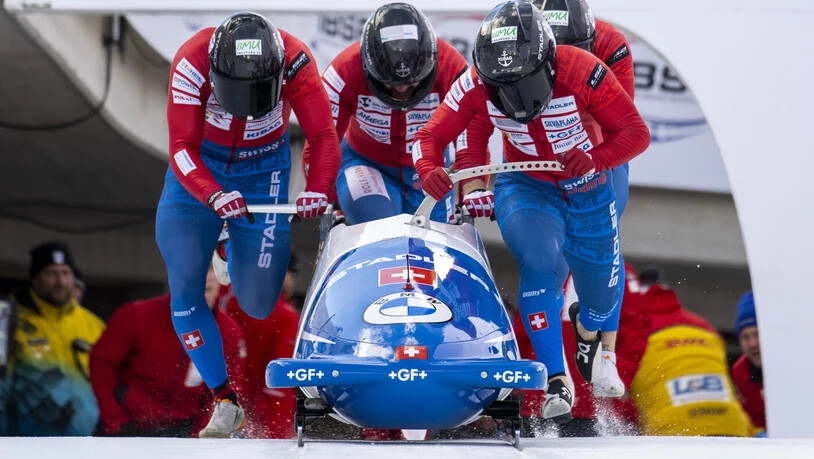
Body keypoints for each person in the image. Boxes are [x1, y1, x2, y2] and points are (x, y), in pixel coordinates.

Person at [412, 0, 650, 423]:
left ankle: (589, 330)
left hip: (586, 181)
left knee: (601, 291)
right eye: (504, 88)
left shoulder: (585, 68)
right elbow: (430, 136)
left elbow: (634, 133)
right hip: (526, 184)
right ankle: (556, 379)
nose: (516, 99)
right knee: (539, 262)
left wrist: (597, 157)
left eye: (525, 83)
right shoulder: (474, 85)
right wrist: (431, 168)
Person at [155, 11, 340, 437]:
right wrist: (213, 194)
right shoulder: (190, 62)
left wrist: (319, 186)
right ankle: (224, 399)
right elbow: (181, 147)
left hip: (262, 173)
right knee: (184, 287)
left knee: (258, 304)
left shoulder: (296, 61)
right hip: (200, 172)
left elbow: (324, 137)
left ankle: (227, 248)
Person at [302, 2, 484, 224]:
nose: (402, 90)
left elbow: (471, 135)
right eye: (390, 81)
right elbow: (322, 137)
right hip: (365, 164)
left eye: (413, 80)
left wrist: (472, 188)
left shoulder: (452, 67)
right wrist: (326, 194)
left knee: (432, 241)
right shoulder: (344, 71)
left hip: (428, 171)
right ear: (369, 67)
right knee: (380, 227)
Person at [535, 0, 636, 398]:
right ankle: (556, 373)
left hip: (594, 148)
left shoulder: (614, 46)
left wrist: (590, 159)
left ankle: (604, 352)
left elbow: (620, 122)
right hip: (540, 150)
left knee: (605, 229)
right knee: (550, 255)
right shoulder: (515, 45)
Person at [90, 268, 247, 437]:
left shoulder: (228, 332)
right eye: (191, 289)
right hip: (128, 423)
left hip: (184, 431)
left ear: (218, 290)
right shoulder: (136, 315)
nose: (197, 297)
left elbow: (229, 388)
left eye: (207, 289)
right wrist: (114, 420)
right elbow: (102, 363)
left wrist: (200, 434)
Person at [515, 263, 649, 436]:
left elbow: (636, 333)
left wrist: (616, 378)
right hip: (547, 401)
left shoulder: (613, 267)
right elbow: (523, 331)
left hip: (592, 406)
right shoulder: (547, 261)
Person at [627, 270, 756, 436]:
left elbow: (621, 399)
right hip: (732, 427)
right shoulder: (704, 326)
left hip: (674, 434)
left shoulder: (633, 331)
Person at [0, 241, 105, 436]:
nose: (61, 281)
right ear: (35, 277)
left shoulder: (93, 325)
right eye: (51, 273)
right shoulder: (9, 321)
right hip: (29, 445)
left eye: (66, 273)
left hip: (87, 444)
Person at [220, 253, 300, 438]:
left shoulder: (227, 301)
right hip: (258, 413)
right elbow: (280, 380)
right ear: (282, 274)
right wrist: (278, 433)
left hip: (221, 404)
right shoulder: (285, 317)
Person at [730, 291, 765, 432]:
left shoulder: (795, 366)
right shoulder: (740, 372)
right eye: (746, 337)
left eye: (757, 334)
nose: (753, 343)